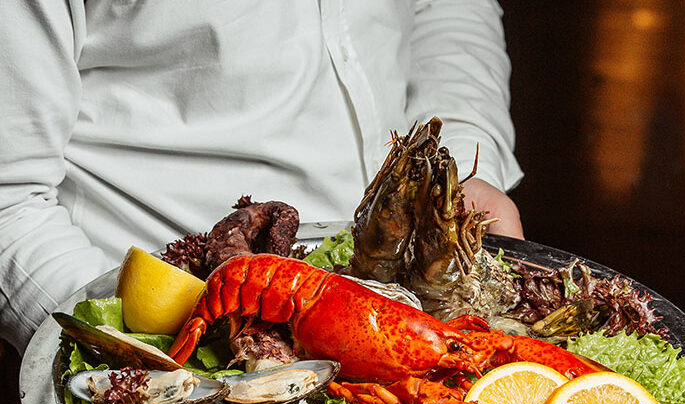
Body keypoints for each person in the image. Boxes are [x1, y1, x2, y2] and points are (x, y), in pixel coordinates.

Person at [0, 0, 524, 354]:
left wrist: (449, 177)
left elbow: (448, 10)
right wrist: (129, 357)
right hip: (171, 319)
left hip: (400, 303)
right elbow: (8, 203)